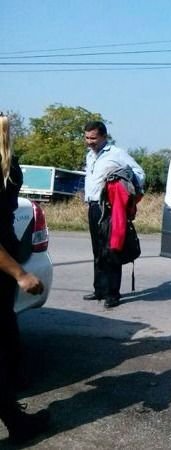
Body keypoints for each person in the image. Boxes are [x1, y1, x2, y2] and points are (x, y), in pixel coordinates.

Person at [0, 115, 50, 443]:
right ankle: (18, 425)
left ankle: (17, 422)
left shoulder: (8, 169)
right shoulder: (7, 169)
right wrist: (20, 274)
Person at [82, 121, 145, 308]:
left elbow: (139, 173)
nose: (89, 142)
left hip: (110, 208)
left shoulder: (116, 154)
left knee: (111, 250)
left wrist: (123, 181)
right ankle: (99, 289)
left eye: (93, 138)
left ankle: (112, 294)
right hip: (94, 207)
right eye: (86, 138)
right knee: (97, 250)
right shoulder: (90, 156)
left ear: (103, 136)